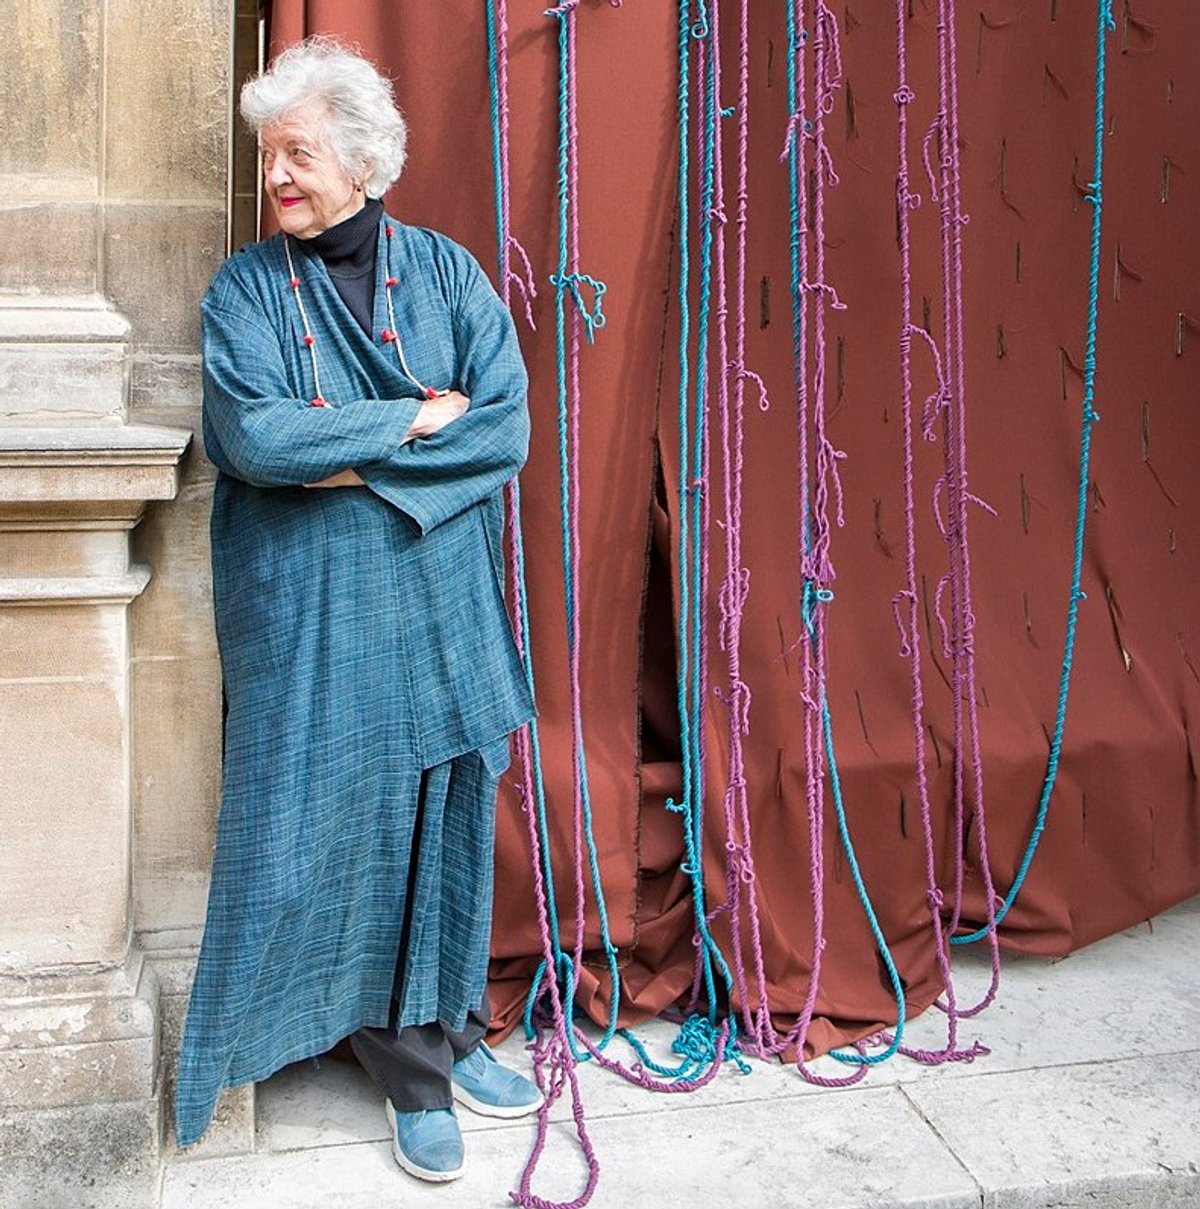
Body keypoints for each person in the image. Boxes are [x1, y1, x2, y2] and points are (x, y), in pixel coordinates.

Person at [174, 36, 540, 1183]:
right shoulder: (243, 290)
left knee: (446, 814)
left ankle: (452, 1026)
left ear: (363, 160)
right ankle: (409, 1076)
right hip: (312, 615)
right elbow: (255, 437)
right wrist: (408, 425)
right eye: (268, 155)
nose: (278, 175)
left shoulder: (449, 275)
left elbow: (506, 428)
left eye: (298, 153)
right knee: (332, 827)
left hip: (440, 603)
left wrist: (345, 458)